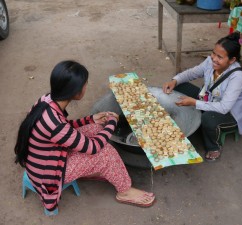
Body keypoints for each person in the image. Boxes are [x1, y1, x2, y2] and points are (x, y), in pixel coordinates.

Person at [14, 60, 155, 212]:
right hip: (48, 173)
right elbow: (92, 147)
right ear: (76, 91)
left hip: (47, 155)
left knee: (94, 127)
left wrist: (91, 119)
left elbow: (64, 129)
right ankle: (124, 191)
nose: (86, 86)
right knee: (106, 153)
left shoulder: (47, 100)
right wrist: (112, 123)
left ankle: (98, 170)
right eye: (85, 84)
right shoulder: (54, 124)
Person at [163, 32, 242, 162]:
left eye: (220, 57)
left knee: (208, 118)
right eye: (213, 53)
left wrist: (194, 103)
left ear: (232, 60)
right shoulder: (210, 61)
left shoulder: (237, 76)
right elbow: (192, 73)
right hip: (207, 99)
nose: (214, 58)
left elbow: (224, 107)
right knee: (180, 86)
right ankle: (191, 122)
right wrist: (175, 81)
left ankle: (213, 147)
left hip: (229, 113)